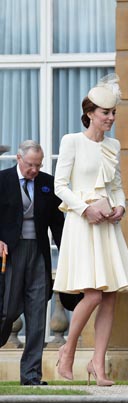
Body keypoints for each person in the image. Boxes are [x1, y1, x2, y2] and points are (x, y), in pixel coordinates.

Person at [53, 74, 128, 387]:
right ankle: (68, 349)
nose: (111, 118)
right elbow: (60, 186)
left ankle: (97, 364)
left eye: (114, 113)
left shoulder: (113, 146)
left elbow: (116, 186)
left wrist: (120, 207)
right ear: (90, 112)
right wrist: (84, 209)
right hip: (82, 225)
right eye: (106, 112)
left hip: (107, 228)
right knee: (91, 293)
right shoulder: (71, 142)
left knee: (110, 296)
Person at [0, 140, 64, 385]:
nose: (34, 170)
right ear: (18, 158)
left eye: (38, 165)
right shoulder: (3, 180)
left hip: (38, 253)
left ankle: (31, 375)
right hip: (10, 254)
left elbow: (58, 222)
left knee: (37, 315)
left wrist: (67, 252)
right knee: (6, 313)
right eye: (30, 165)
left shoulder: (47, 183)